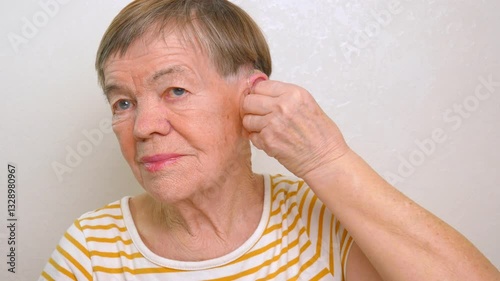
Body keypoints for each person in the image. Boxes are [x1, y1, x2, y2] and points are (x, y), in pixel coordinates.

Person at [39, 0, 500, 280]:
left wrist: (327, 158)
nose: (142, 127)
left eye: (175, 90)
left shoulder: (318, 222)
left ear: (252, 97)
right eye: (123, 103)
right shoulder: (90, 250)